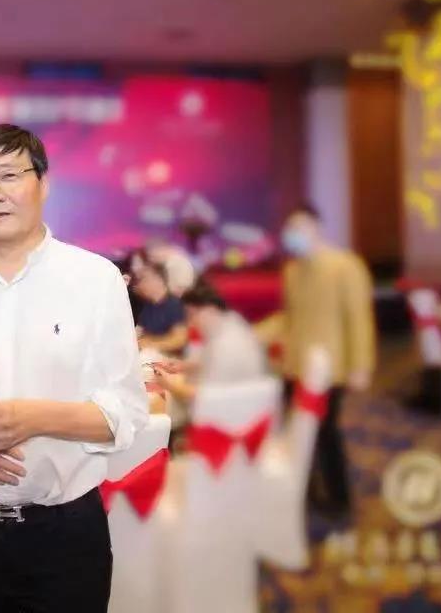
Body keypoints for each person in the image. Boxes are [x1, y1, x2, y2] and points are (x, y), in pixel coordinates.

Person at [0, 123, 148, 612]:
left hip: (64, 529)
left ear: (43, 183)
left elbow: (124, 413)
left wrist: (31, 418)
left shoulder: (95, 279)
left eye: (8, 175)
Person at [262, 203, 375, 517]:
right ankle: (305, 489)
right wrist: (252, 332)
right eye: (290, 228)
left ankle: (339, 499)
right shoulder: (292, 270)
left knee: (326, 432)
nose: (293, 233)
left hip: (329, 367)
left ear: (317, 227)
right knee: (297, 431)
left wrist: (360, 365)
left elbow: (359, 319)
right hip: (294, 364)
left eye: (300, 226)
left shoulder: (345, 266)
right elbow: (289, 318)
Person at [150, 278, 269, 402]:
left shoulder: (226, 343)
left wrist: (169, 385)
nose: (191, 323)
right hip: (239, 398)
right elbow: (214, 361)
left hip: (233, 407)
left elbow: (207, 398)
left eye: (192, 315)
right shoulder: (231, 321)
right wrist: (184, 366)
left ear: (210, 309)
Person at [131, 262, 188, 356]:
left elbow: (179, 340)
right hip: (150, 355)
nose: (139, 285)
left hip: (170, 358)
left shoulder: (174, 305)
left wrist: (151, 344)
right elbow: (143, 333)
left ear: (159, 279)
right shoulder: (147, 306)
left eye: (143, 279)